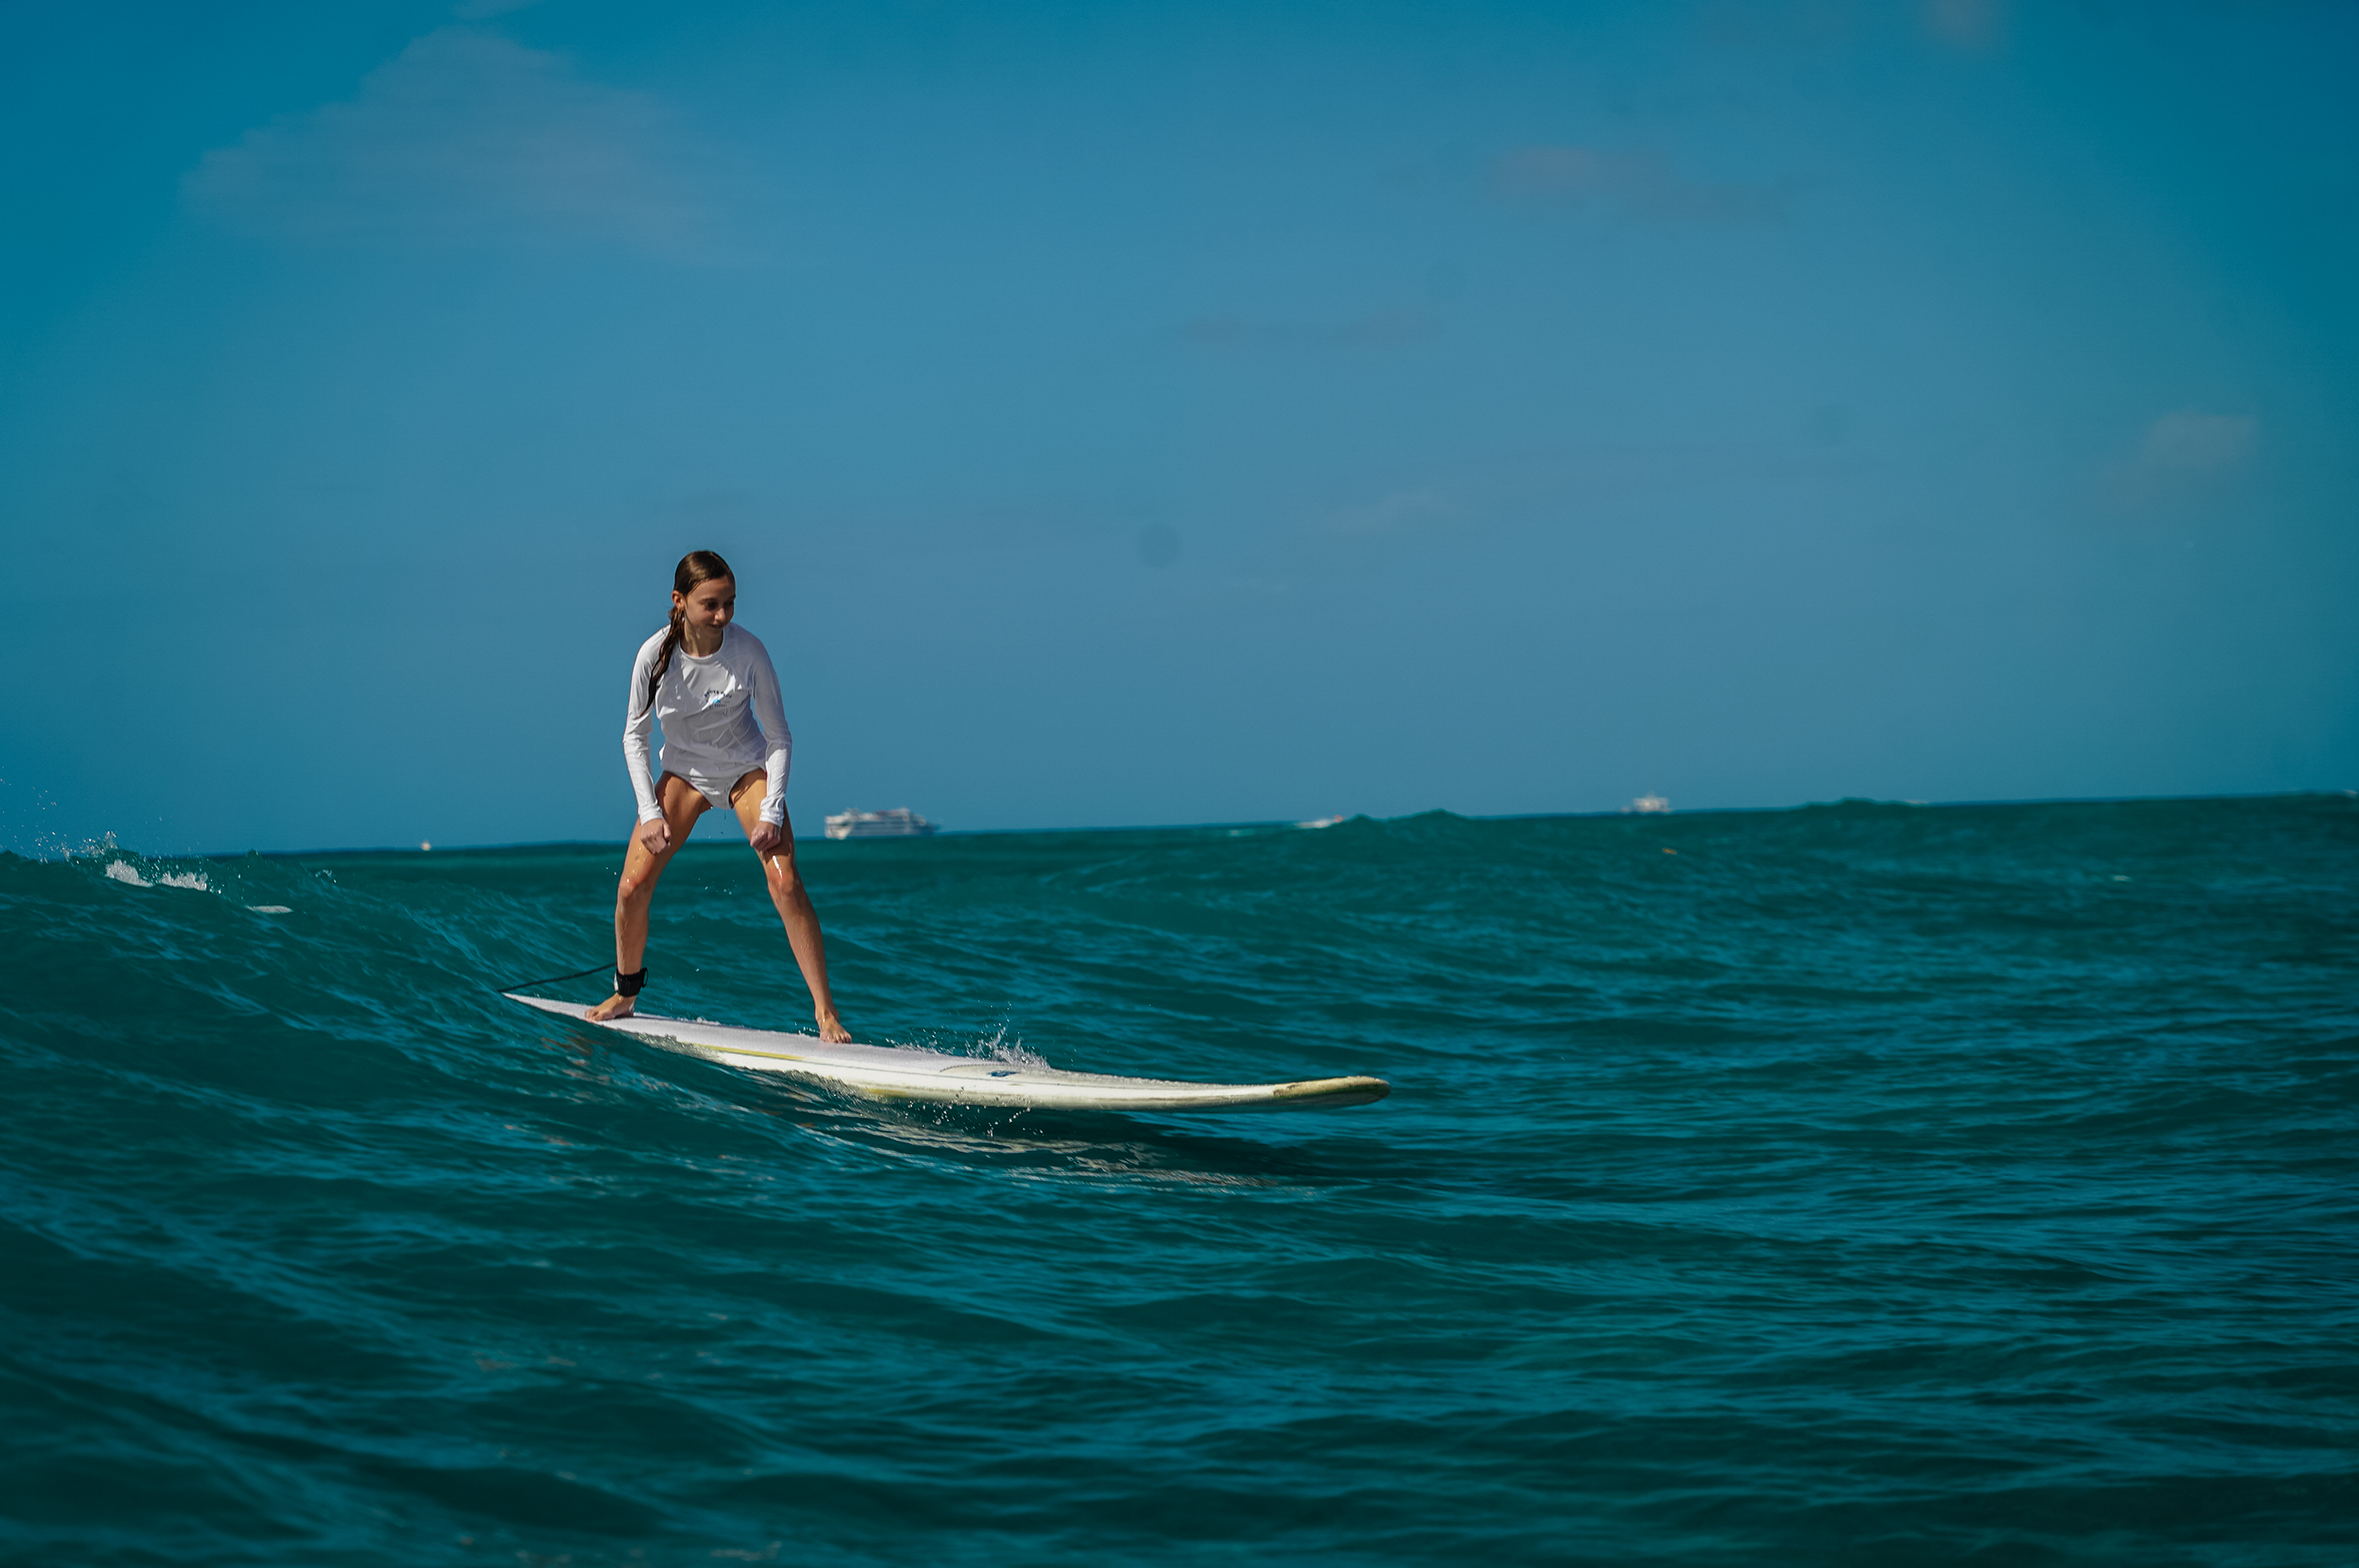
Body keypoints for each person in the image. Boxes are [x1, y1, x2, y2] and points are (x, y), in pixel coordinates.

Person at [586, 550, 851, 1041]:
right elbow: (634, 737)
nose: (723, 615)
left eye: (730, 603)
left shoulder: (749, 652)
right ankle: (626, 991)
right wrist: (649, 812)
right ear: (679, 601)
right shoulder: (654, 655)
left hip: (745, 770)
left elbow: (779, 737)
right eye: (711, 604)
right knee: (630, 887)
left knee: (786, 883)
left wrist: (772, 808)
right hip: (684, 774)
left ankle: (826, 1013)